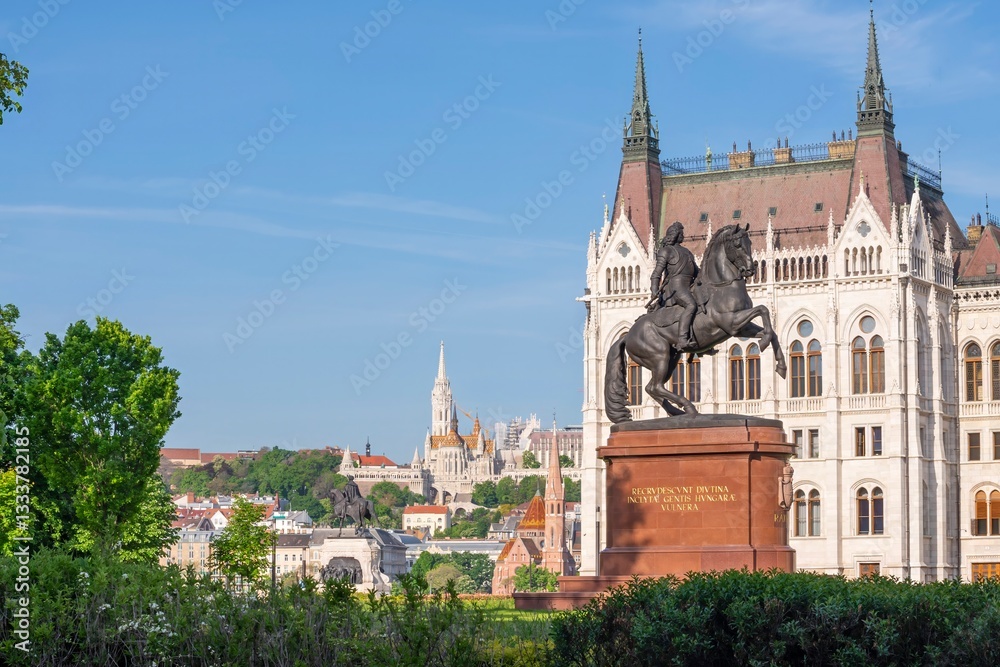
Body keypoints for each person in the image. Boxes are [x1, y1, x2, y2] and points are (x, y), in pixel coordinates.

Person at [649, 221, 698, 347]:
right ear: (675, 234)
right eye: (681, 233)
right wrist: (654, 291)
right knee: (691, 305)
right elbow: (656, 274)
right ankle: (682, 339)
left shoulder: (687, 252)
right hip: (675, 289)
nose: (683, 235)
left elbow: (697, 272)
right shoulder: (666, 252)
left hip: (689, 286)